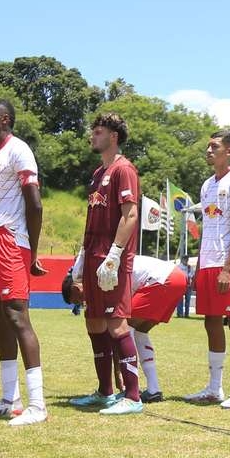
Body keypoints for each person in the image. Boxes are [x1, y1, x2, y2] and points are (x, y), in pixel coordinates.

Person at [0, 99, 48, 426]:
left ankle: (38, 405)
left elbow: (35, 204)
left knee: (17, 316)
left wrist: (30, 248)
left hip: (9, 238)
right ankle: (9, 399)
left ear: (4, 119)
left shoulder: (19, 150)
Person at [69, 112, 144, 415]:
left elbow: (130, 215)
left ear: (113, 136)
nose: (92, 136)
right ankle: (105, 391)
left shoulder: (124, 170)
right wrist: (82, 257)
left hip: (111, 261)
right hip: (93, 258)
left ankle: (134, 396)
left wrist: (114, 255)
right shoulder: (98, 173)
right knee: (94, 322)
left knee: (116, 323)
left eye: (98, 132)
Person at [183, 130, 230, 409]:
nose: (209, 151)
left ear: (229, 151)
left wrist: (227, 268)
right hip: (208, 264)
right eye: (208, 146)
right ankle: (214, 388)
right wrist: (199, 268)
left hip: (228, 266)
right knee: (211, 321)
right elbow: (207, 229)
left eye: (215, 146)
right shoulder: (206, 185)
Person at [63, 255, 187, 402]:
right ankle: (154, 389)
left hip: (161, 279)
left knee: (123, 328)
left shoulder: (98, 278)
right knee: (140, 332)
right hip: (177, 276)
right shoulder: (96, 270)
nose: (82, 302)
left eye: (78, 300)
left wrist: (118, 371)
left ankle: (131, 389)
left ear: (77, 288)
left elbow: (119, 331)